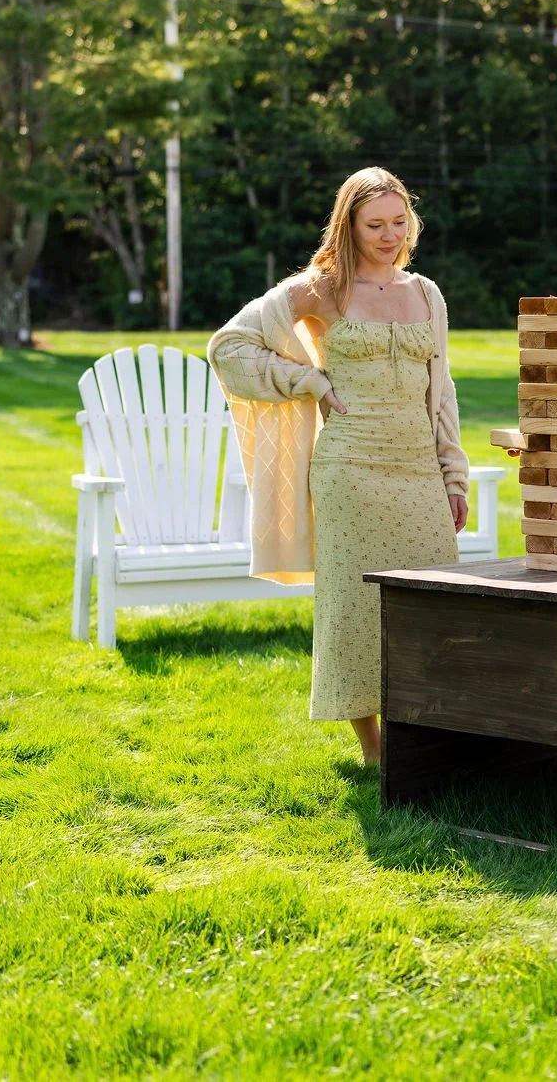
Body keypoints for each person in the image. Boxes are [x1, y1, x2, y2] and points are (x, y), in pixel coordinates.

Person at [208, 168, 471, 766]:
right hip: (349, 466)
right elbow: (230, 348)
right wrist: (306, 379)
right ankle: (374, 749)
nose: (388, 235)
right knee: (353, 606)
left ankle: (427, 729)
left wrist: (453, 475)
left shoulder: (427, 293)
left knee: (435, 602)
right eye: (374, 224)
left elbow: (443, 390)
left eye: (399, 222)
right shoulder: (318, 291)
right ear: (348, 226)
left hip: (416, 466)